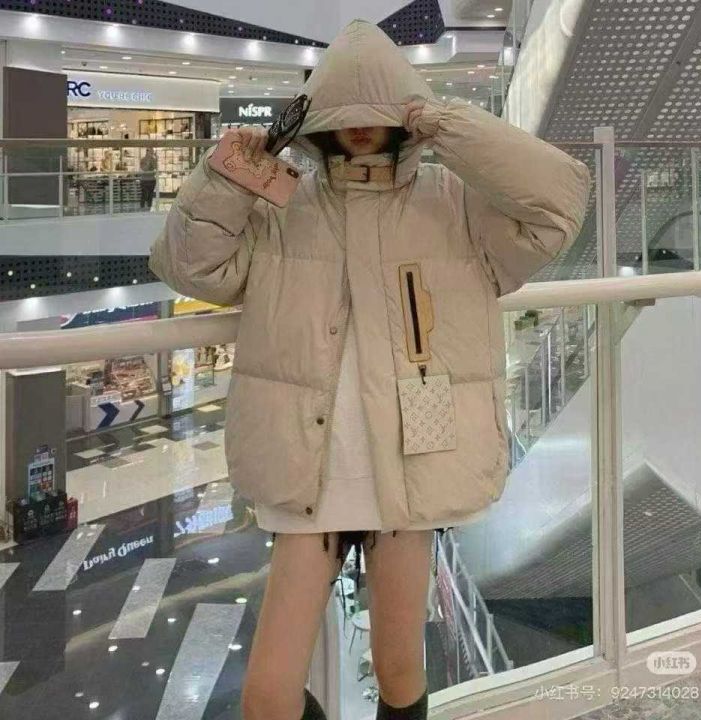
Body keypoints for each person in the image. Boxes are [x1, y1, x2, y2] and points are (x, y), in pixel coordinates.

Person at [148, 19, 590, 720]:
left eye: (377, 115)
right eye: (340, 117)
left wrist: (440, 122)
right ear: (315, 123)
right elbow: (188, 267)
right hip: (309, 471)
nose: (358, 131)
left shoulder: (454, 203)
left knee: (398, 667)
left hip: (410, 468)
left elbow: (559, 203)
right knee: (266, 696)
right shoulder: (283, 208)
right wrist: (228, 177)